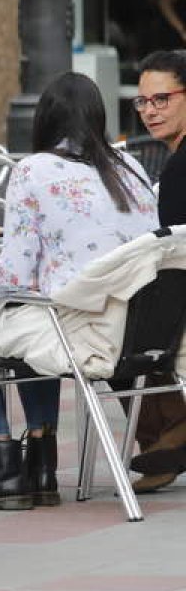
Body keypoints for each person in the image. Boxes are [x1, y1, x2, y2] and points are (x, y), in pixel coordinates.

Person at [0, 72, 158, 511]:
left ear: (45, 121)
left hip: (81, 331)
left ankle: (0, 463)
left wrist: (1, 297)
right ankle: (40, 460)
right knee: (29, 322)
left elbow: (14, 278)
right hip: (138, 331)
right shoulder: (129, 165)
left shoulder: (33, 170)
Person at [122, 49, 186, 491]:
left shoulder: (181, 166)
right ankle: (168, 441)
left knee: (115, 330)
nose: (150, 111)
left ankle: (165, 443)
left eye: (162, 99)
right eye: (143, 102)